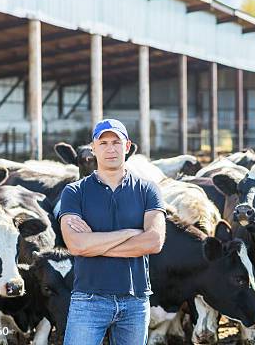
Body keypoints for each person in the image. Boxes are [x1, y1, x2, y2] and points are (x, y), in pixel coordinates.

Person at [58, 118, 166, 345]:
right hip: (89, 298)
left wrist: (94, 245)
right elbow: (76, 245)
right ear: (93, 148)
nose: (110, 149)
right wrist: (130, 233)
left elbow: (154, 241)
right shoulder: (74, 192)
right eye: (103, 142)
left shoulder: (148, 190)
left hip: (135, 300)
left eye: (116, 142)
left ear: (127, 147)